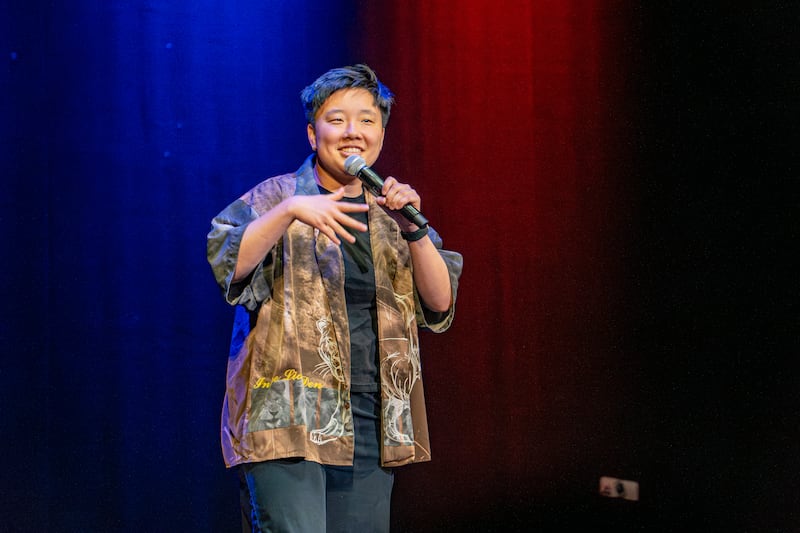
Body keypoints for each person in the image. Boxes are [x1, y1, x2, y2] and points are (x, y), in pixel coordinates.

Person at [207, 63, 463, 532]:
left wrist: (413, 230)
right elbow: (228, 262)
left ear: (381, 133)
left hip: (372, 420)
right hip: (288, 416)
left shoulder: (390, 213)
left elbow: (440, 302)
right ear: (312, 133)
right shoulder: (276, 197)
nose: (353, 132)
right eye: (337, 119)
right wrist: (289, 211)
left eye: (367, 120)